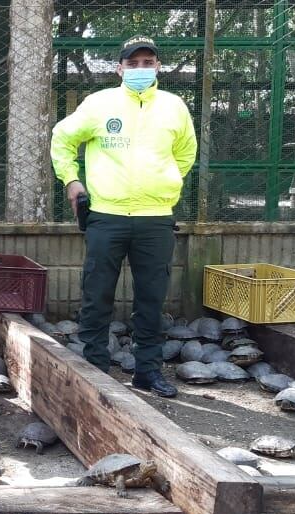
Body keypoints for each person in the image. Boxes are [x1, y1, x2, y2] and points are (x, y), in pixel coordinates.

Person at [49, 35, 197, 398]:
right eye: (133, 64)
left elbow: (185, 154)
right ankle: (95, 369)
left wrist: (165, 183)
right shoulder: (99, 104)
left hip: (156, 218)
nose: (141, 70)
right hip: (106, 215)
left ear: (158, 67)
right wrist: (71, 181)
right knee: (96, 295)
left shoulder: (174, 107)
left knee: (151, 298)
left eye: (148, 63)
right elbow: (62, 139)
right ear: (119, 68)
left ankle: (147, 372)